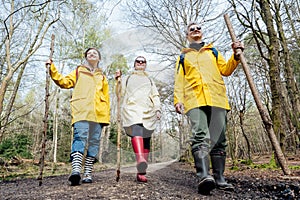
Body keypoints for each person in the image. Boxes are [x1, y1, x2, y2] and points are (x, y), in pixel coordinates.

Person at [173, 22, 244, 194]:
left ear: (202, 33)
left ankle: (219, 178)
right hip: (194, 101)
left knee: (219, 139)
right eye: (192, 29)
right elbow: (179, 81)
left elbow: (226, 70)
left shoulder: (213, 52)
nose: (196, 30)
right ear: (187, 35)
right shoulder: (183, 57)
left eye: (198, 28)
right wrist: (178, 100)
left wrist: (236, 55)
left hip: (217, 98)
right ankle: (204, 176)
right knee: (200, 135)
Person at [45, 47, 110, 186]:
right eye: (89, 53)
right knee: (79, 138)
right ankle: (75, 171)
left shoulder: (102, 77)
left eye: (95, 53)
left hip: (99, 115)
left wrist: (106, 117)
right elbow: (63, 82)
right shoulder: (78, 71)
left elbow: (106, 97)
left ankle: (87, 172)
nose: (92, 54)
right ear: (86, 57)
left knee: (93, 143)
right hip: (81, 111)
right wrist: (52, 69)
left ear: (99, 58)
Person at [115, 56, 161, 183]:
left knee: (146, 139)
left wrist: (157, 109)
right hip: (132, 109)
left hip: (148, 111)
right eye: (138, 61)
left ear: (145, 64)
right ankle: (140, 159)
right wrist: (118, 80)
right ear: (134, 64)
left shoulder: (150, 80)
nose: (140, 63)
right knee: (137, 130)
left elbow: (155, 95)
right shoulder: (127, 78)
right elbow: (120, 93)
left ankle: (141, 172)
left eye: (143, 61)